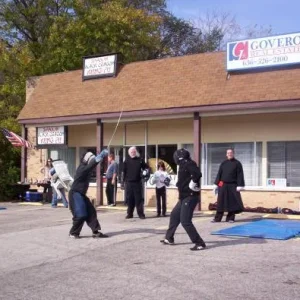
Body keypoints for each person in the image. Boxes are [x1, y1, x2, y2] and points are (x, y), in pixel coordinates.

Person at [160, 148, 206, 251]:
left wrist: (194, 183)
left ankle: (199, 243)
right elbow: (182, 182)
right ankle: (169, 238)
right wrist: (171, 182)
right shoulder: (182, 165)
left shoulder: (188, 163)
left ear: (179, 157)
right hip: (184, 197)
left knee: (185, 221)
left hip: (190, 197)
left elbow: (197, 174)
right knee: (174, 215)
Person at [69, 149, 109, 239]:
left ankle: (95, 232)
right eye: (91, 159)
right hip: (75, 193)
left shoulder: (87, 168)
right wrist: (101, 156)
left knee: (91, 211)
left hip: (81, 194)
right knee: (81, 214)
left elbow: (91, 166)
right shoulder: (82, 168)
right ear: (87, 160)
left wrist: (98, 159)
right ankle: (73, 232)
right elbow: (90, 166)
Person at [212, 148, 245, 223]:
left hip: (233, 185)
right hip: (222, 184)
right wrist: (216, 184)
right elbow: (219, 174)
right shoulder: (223, 163)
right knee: (220, 201)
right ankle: (217, 218)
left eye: (231, 153)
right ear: (226, 154)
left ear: (233, 154)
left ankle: (230, 218)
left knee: (232, 201)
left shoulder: (237, 163)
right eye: (228, 153)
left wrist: (240, 185)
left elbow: (240, 175)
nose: (229, 154)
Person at [121, 146, 150, 219]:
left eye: (134, 151)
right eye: (131, 152)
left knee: (138, 199)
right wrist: (122, 182)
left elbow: (146, 168)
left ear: (135, 152)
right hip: (129, 183)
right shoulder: (126, 160)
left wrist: (146, 173)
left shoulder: (140, 160)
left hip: (137, 182)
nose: (133, 153)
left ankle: (141, 214)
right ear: (129, 153)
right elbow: (123, 172)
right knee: (130, 199)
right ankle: (130, 214)